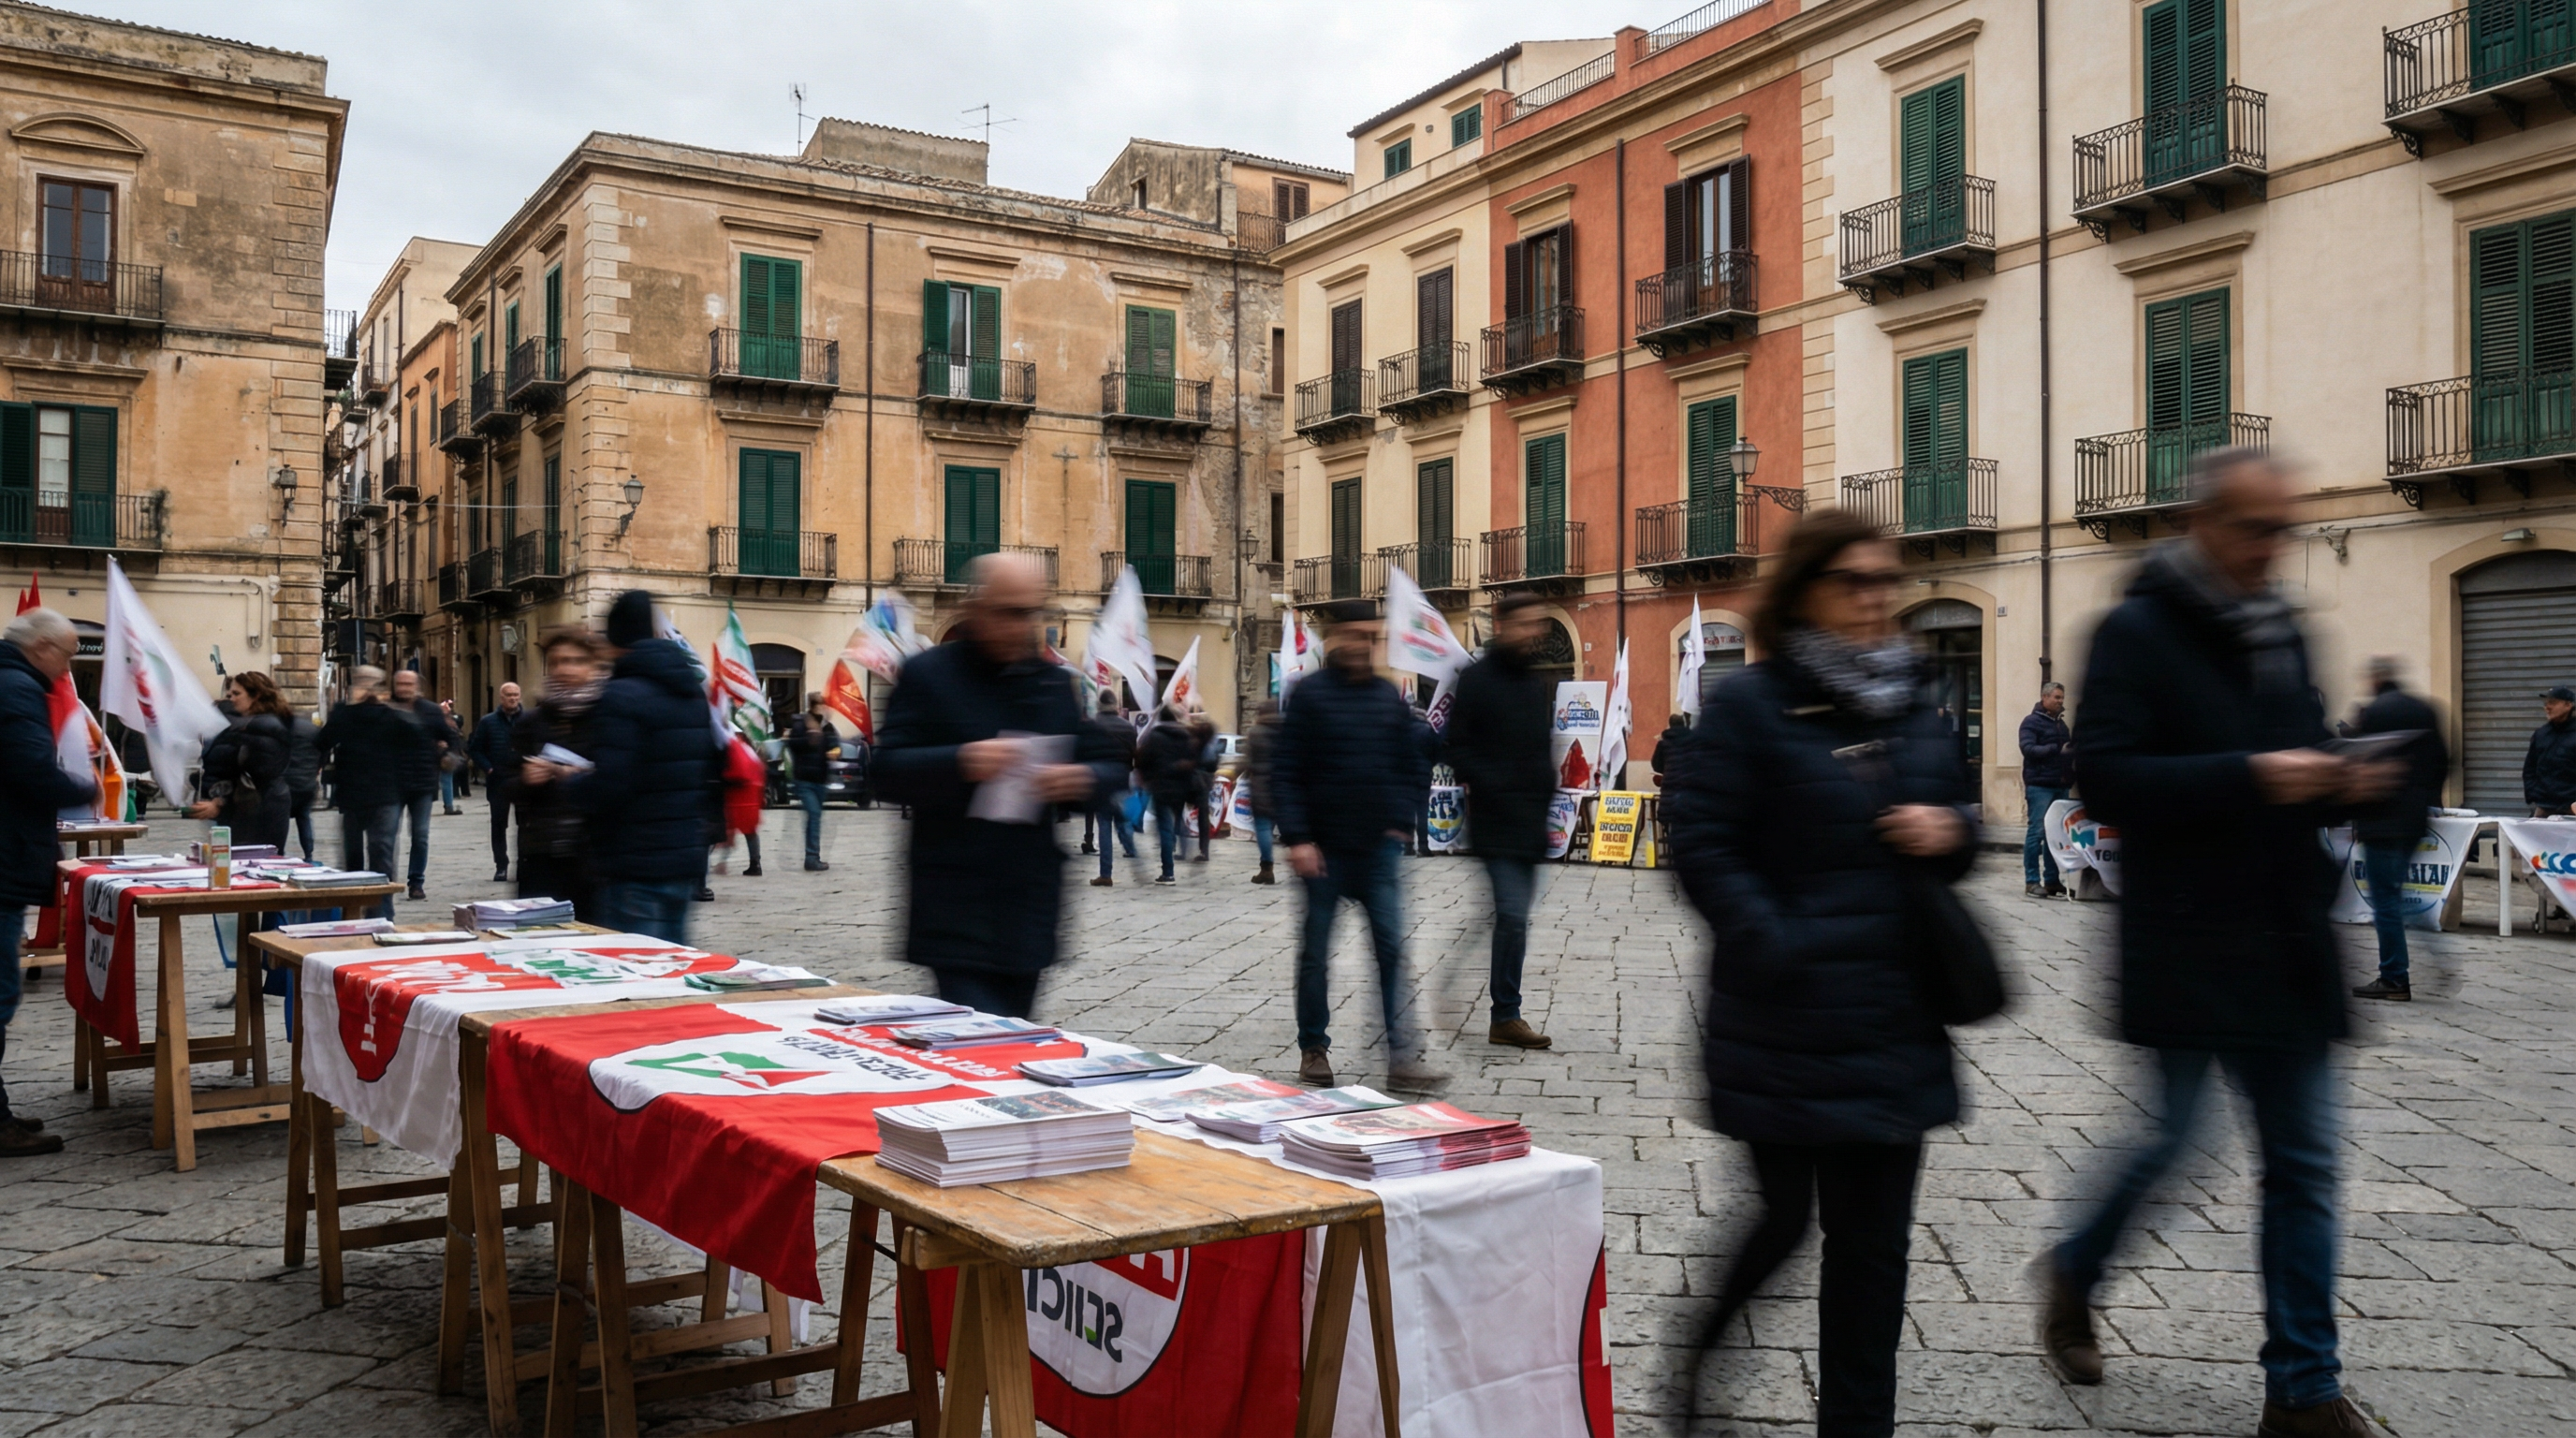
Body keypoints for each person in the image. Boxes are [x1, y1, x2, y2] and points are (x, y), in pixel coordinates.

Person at [2039, 450, 2393, 1438]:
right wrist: (2256, 775)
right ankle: (2075, 1269)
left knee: (2305, 1162)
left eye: (2285, 529)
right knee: (2172, 1142)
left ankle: (2304, 1388)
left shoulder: (2283, 629)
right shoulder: (2132, 631)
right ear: (2203, 523)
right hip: (2188, 933)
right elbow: (2104, 779)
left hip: (2286, 939)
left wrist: (2341, 775)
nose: (2274, 549)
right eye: (2255, 528)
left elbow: (2299, 753)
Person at [1660, 511, 1977, 1438]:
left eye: (1886, 579)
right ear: (1804, 592)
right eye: (1854, 580)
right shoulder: (1752, 707)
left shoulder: (1915, 700)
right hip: (1785, 1017)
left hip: (1896, 1014)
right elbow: (1704, 847)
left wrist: (1948, 830)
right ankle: (1699, 1357)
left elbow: (1957, 816)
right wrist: (1777, 941)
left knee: (1874, 1253)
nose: (1877, 597)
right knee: (1785, 1221)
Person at [870, 552, 1123, 1017]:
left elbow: (1109, 765)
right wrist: (963, 761)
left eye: (1032, 612)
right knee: (976, 1034)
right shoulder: (928, 675)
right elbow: (885, 770)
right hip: (953, 905)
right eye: (1010, 612)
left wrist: (1080, 777)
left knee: (1015, 1036)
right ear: (977, 609)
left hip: (1027, 903)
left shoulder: (1052, 683)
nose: (1022, 626)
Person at [1270, 598, 1443, 1093]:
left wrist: (1400, 820)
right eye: (1355, 635)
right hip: (1322, 853)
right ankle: (1313, 1048)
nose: (1363, 645)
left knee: (1391, 951)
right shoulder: (1308, 697)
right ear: (1336, 638)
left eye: (1372, 636)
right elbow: (1286, 772)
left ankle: (1402, 1057)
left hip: (1377, 852)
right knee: (1316, 954)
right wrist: (1299, 838)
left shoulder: (1389, 698)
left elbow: (1411, 762)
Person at [545, 592, 717, 945]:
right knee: (673, 969)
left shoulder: (620, 695)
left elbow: (613, 784)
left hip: (634, 861)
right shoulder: (693, 691)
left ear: (616, 640)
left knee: (634, 978)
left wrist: (570, 782)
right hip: (683, 859)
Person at [1442, 592, 1559, 1050]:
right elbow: (1456, 746)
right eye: (1526, 624)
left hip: (1530, 822)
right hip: (1495, 821)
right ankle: (1506, 1013)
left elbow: (1539, 745)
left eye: (1539, 624)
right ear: (1502, 624)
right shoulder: (1474, 679)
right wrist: (1495, 785)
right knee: (1510, 914)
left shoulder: (1534, 683)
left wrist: (1546, 789)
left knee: (1515, 919)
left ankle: (1504, 1015)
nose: (1534, 633)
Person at [0, 609, 95, 1155]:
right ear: (41, 647)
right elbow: (31, 771)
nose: (68, 668)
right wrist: (84, 785)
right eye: (67, 653)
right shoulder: (15, 689)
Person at [2346, 658, 2448, 1002]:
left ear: (2375, 680)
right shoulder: (2425, 709)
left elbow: (2361, 767)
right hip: (2414, 818)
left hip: (2381, 820)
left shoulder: (2373, 713)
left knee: (2386, 900)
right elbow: (2445, 761)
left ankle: (2394, 977)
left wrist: (2357, 816)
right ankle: (2434, 957)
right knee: (2396, 896)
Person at [513, 630, 606, 920]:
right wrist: (526, 780)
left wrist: (577, 775)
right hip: (540, 856)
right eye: (557, 662)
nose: (565, 669)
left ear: (593, 666)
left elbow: (621, 783)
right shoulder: (532, 721)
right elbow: (504, 785)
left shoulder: (607, 718)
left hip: (595, 858)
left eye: (576, 661)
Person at [315, 667, 411, 917]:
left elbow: (412, 746)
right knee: (358, 857)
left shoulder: (391, 715)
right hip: (356, 794)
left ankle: (380, 913)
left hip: (383, 794)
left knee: (379, 852)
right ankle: (356, 912)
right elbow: (322, 741)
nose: (366, 687)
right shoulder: (346, 714)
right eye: (361, 682)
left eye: (369, 682)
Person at [192, 671, 293, 853]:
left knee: (253, 866)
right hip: (249, 812)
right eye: (230, 694)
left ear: (256, 696)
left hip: (260, 813)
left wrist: (220, 803)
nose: (231, 699)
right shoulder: (248, 726)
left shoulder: (262, 728)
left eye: (237, 694)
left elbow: (253, 781)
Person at [388, 668, 460, 902]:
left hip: (423, 782)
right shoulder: (386, 710)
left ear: (417, 686)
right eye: (401, 684)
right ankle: (386, 880)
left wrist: (448, 754)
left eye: (409, 684)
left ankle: (416, 882)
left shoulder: (430, 711)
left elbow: (451, 737)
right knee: (388, 835)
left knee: (420, 835)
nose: (404, 688)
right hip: (392, 783)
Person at [1138, 706, 1206, 886]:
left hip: (1161, 788)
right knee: (1179, 820)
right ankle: (1185, 850)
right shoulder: (1186, 736)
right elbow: (1194, 761)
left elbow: (1144, 760)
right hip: (1181, 788)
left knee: (1165, 829)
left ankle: (1168, 872)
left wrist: (1146, 778)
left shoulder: (1154, 737)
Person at [2019, 681, 2074, 897]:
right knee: (2037, 832)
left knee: (2056, 835)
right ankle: (2032, 881)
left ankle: (2052, 880)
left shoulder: (2062, 725)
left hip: (2060, 785)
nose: (2061, 701)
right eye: (2057, 698)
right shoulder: (2031, 722)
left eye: (2062, 698)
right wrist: (2055, 749)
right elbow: (2028, 748)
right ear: (2045, 698)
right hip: (2040, 785)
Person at [467, 682, 524, 883]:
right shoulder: (488, 722)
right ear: (501, 697)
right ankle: (501, 865)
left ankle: (524, 865)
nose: (513, 698)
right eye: (509, 695)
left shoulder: (527, 720)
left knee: (525, 824)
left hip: (523, 781)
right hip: (498, 780)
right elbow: (475, 749)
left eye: (516, 695)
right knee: (499, 825)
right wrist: (488, 768)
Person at [1086, 701, 1140, 888]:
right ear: (1115, 708)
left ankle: (1105, 873)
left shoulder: (1093, 725)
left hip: (1100, 779)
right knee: (1123, 819)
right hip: (1122, 778)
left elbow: (1087, 753)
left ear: (1099, 706)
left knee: (1104, 825)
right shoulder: (1127, 727)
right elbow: (1134, 754)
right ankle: (1132, 851)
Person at [783, 693, 840, 872]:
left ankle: (812, 856)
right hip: (804, 780)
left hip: (820, 780)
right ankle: (812, 857)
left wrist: (835, 751)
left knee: (814, 818)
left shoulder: (827, 726)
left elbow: (834, 744)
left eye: (824, 704)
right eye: (820, 704)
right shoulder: (801, 724)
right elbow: (792, 744)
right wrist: (809, 738)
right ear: (813, 705)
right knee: (814, 814)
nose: (822, 707)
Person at [1242, 697, 1281, 885]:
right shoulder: (1287, 731)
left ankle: (1267, 869)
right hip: (1284, 786)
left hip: (1261, 787)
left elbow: (1247, 760)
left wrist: (1236, 772)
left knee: (1264, 828)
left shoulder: (1255, 732)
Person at [2525, 684, 2576, 816]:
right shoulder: (2541, 734)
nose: (2547, 707)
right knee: (2532, 837)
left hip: (2572, 807)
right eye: (2546, 703)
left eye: (2553, 703)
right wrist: (2533, 796)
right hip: (2544, 806)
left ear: (2568, 705)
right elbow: (2530, 769)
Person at [283, 702, 322, 861]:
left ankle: (279, 852)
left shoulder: (283, 730)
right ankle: (308, 854)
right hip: (307, 782)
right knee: (304, 817)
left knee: (281, 819)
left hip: (287, 782)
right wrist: (317, 767)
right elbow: (323, 751)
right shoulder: (314, 730)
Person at [1648, 712, 1690, 788]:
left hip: (1668, 782)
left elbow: (1656, 763)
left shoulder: (1663, 743)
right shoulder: (1692, 741)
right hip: (1687, 782)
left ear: (1670, 725)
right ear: (1683, 724)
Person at [437, 699, 464, 814]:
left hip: (445, 754)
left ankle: (449, 805)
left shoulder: (445, 722)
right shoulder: (448, 723)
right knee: (447, 780)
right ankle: (449, 806)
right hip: (447, 754)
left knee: (446, 780)